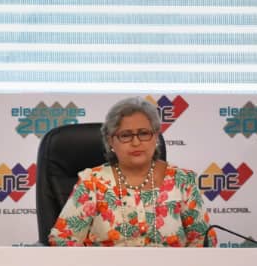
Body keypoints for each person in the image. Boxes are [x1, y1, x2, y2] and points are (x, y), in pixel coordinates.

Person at [48, 97, 216, 246]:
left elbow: (203, 240)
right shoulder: (92, 182)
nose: (136, 142)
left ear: (156, 137)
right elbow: (63, 239)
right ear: (110, 141)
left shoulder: (183, 181)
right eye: (126, 135)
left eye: (144, 133)